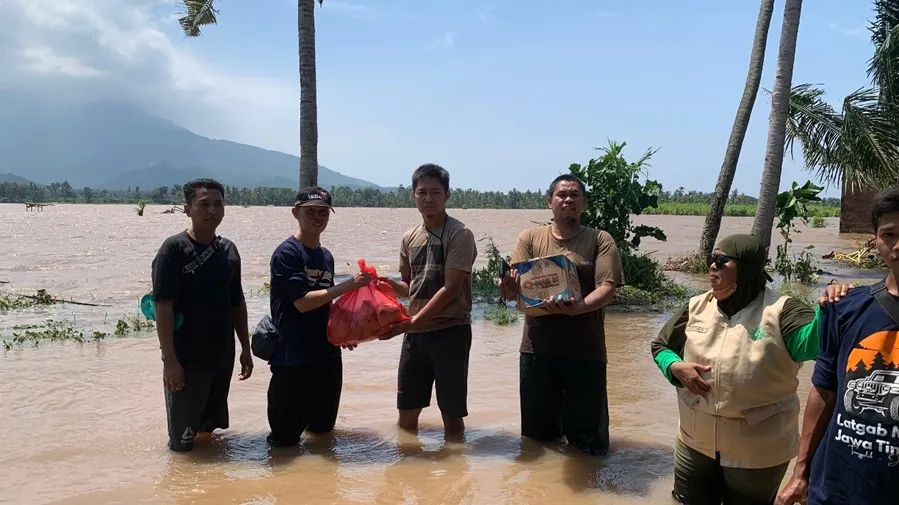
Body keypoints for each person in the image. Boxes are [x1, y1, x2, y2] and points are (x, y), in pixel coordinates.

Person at [649, 233, 850, 505]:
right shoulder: (697, 305)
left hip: (758, 452)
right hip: (694, 440)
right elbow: (661, 346)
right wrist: (675, 367)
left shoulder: (782, 311)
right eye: (712, 259)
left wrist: (829, 306)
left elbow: (814, 344)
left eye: (722, 261)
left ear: (746, 268)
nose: (712, 267)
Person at [777, 186, 899, 505]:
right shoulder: (844, 308)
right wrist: (800, 472)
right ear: (875, 240)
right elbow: (824, 390)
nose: (898, 245)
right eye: (889, 234)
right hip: (836, 487)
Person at [498, 174, 624, 456]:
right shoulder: (529, 238)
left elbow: (607, 288)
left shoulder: (599, 239)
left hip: (585, 350)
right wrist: (506, 289)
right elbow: (517, 289)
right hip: (536, 350)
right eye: (561, 195)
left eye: (574, 195)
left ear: (584, 203)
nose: (568, 200)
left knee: (589, 443)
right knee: (537, 442)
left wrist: (578, 308)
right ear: (550, 202)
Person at [151, 178, 253, 452]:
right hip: (187, 358)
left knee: (209, 434)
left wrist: (245, 348)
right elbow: (163, 306)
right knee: (182, 444)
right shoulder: (173, 250)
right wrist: (169, 360)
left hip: (221, 355)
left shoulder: (229, 250)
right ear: (187, 209)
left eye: (218, 204)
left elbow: (237, 301)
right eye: (204, 204)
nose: (212, 211)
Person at [265, 187, 371, 448]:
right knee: (284, 442)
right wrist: (349, 285)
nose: (317, 217)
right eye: (310, 211)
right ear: (295, 213)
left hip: (326, 356)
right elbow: (301, 303)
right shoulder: (287, 253)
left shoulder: (326, 256)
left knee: (323, 435)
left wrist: (342, 332)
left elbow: (325, 303)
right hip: (293, 359)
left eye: (323, 212)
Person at [378, 163, 478, 437]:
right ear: (413, 196)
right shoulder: (409, 237)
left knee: (452, 417)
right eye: (422, 192)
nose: (429, 198)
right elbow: (409, 287)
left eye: (436, 192)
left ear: (448, 195)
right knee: (407, 416)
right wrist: (384, 284)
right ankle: (409, 471)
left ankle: (456, 473)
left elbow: (451, 288)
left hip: (450, 332)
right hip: (414, 336)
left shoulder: (460, 234)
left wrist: (412, 323)